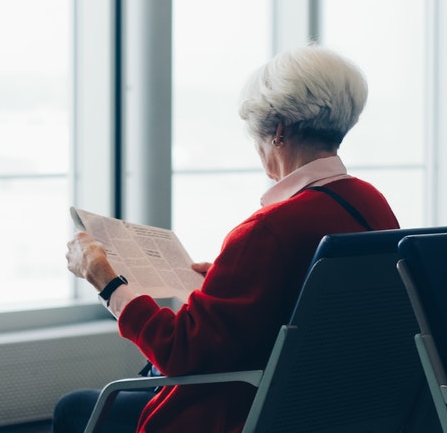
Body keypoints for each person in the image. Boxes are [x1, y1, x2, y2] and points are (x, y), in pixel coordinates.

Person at [52, 43, 400, 433]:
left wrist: (106, 281)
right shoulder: (371, 204)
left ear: (279, 130)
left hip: (242, 413)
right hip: (329, 409)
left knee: (75, 408)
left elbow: (180, 352)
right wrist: (225, 287)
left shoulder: (268, 231)